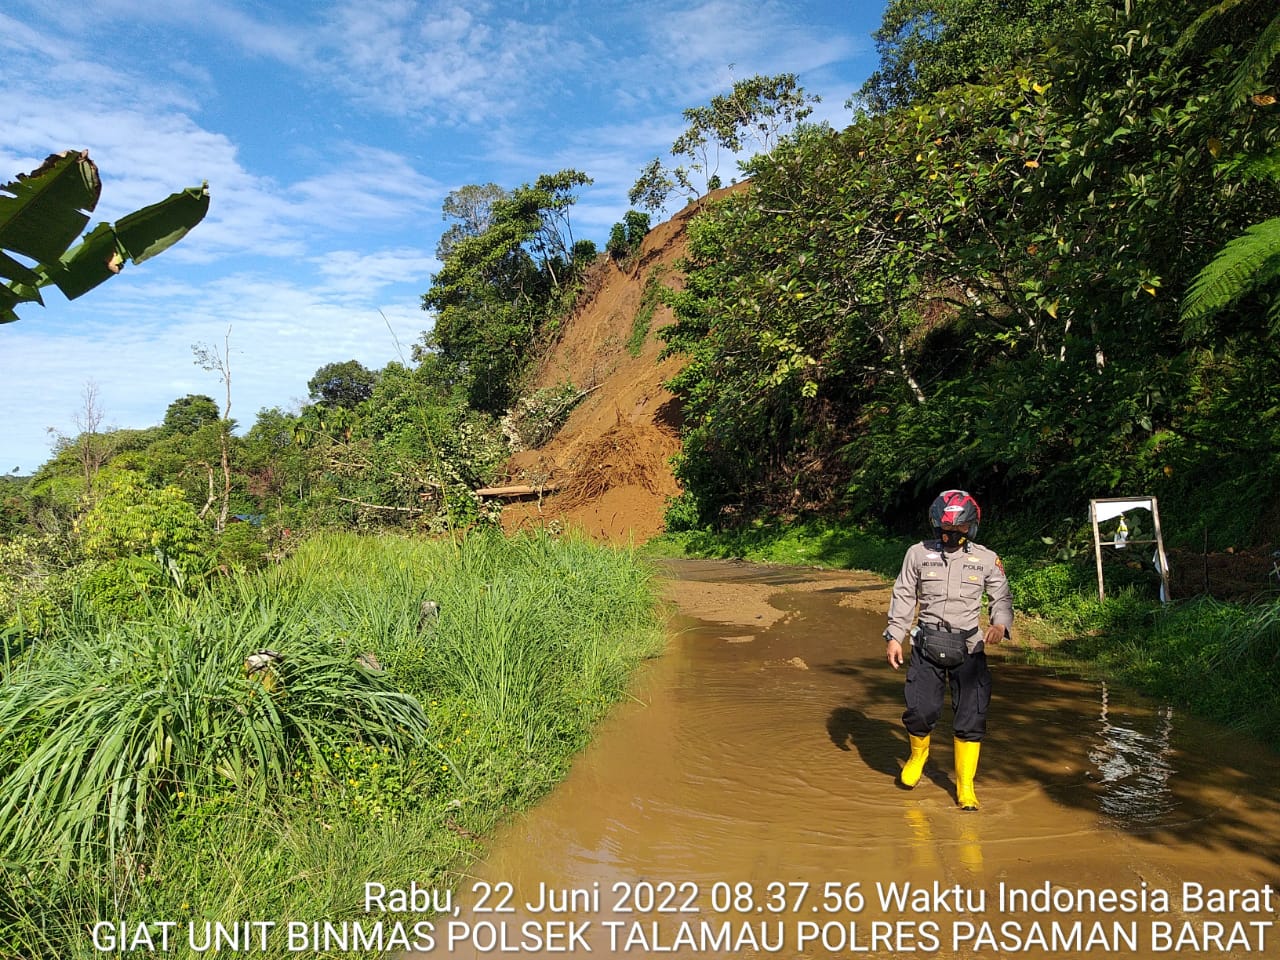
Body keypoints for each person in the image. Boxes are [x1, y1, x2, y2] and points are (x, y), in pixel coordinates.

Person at [883, 490, 1013, 811]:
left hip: (969, 648)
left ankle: (965, 785)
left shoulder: (986, 559)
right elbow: (903, 596)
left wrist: (1000, 624)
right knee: (920, 710)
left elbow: (1002, 597)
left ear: (972, 527)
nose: (952, 536)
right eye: (945, 531)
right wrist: (895, 636)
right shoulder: (917, 554)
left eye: (960, 531)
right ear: (934, 526)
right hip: (927, 644)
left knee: (971, 717)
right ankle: (917, 756)